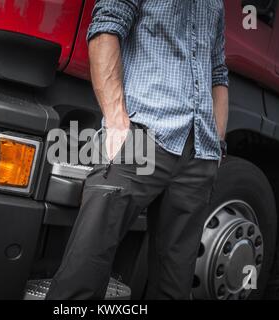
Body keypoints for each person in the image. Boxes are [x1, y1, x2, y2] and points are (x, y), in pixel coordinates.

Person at [46, 0, 229, 300]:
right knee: (84, 270)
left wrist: (216, 143)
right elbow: (106, 28)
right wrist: (117, 121)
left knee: (174, 286)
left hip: (198, 154)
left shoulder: (215, 4)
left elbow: (218, 72)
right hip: (142, 136)